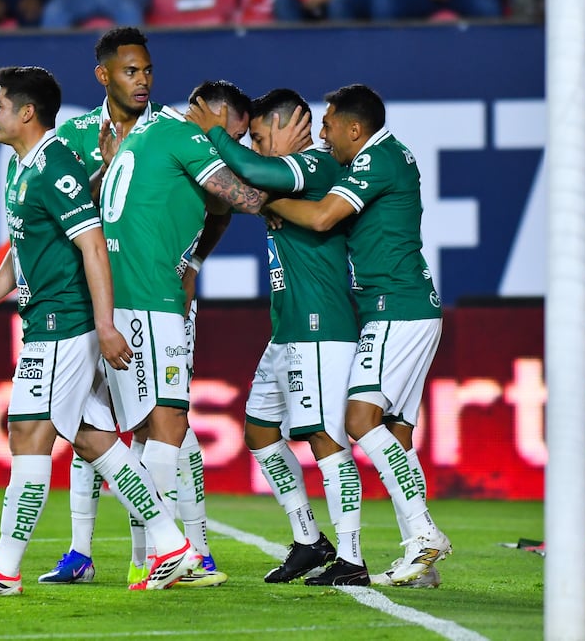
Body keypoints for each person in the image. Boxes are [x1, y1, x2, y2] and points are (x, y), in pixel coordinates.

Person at [0, 65, 199, 597]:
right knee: (92, 439)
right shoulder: (22, 167)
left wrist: (105, 325)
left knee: (28, 433)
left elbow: (93, 244)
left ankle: (5, 568)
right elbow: (24, 244)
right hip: (46, 320)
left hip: (62, 324)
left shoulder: (55, 167)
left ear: (26, 111)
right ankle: (172, 543)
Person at [37, 26, 228, 589]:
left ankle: (169, 551)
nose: (142, 80)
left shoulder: (169, 131)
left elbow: (217, 205)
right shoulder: (74, 134)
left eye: (147, 70)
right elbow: (59, 213)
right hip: (87, 300)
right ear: (104, 75)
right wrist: (100, 173)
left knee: (162, 423)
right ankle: (81, 551)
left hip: (150, 297)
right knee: (85, 426)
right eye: (130, 71)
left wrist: (191, 262)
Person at [264, 84, 451, 586]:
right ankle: (421, 555)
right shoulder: (390, 155)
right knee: (397, 435)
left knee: (359, 418)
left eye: (328, 125)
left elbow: (324, 216)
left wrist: (272, 201)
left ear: (354, 128)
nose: (322, 135)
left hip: (394, 306)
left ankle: (424, 535)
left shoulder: (377, 159)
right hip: (409, 305)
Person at [186, 88, 371, 585]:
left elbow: (258, 174)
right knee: (260, 432)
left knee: (324, 438)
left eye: (262, 136)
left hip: (318, 326)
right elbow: (254, 181)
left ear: (290, 127)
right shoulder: (291, 175)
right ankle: (310, 540)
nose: (258, 146)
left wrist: (216, 134)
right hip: (288, 328)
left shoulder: (312, 165)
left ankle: (352, 558)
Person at [98, 79, 266, 589]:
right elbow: (244, 199)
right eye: (236, 134)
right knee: (170, 421)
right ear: (212, 114)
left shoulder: (150, 134)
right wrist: (309, 184)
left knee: (152, 429)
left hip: (127, 290)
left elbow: (214, 211)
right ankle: (163, 555)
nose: (238, 147)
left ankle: (147, 558)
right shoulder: (188, 136)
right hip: (148, 294)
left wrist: (192, 260)